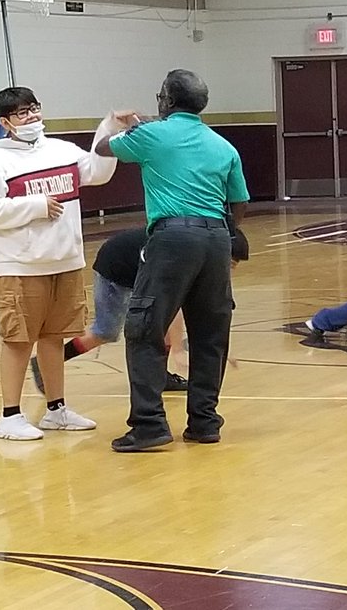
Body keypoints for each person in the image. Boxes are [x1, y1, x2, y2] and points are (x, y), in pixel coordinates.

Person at [95, 69, 250, 452]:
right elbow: (240, 203)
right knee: (211, 334)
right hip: (217, 239)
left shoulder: (149, 135)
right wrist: (220, 233)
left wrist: (123, 124)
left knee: (145, 327)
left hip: (171, 238)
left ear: (165, 99)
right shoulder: (223, 145)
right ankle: (204, 422)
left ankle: (148, 424)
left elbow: (102, 150)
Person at [0, 87, 127, 441]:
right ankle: (9, 416)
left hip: (65, 262)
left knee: (54, 337)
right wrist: (35, 206)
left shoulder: (61, 150)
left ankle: (56, 410)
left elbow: (98, 172)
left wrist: (109, 130)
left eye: (34, 109)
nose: (32, 118)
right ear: (6, 122)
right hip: (20, 267)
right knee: (17, 340)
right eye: (22, 113)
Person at [29, 227, 251, 395]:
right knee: (105, 331)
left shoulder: (195, 248)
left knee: (159, 319)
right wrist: (178, 352)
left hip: (137, 267)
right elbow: (175, 306)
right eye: (229, 264)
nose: (229, 270)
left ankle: (161, 377)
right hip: (115, 268)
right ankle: (44, 363)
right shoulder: (187, 254)